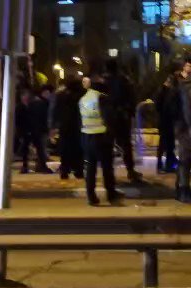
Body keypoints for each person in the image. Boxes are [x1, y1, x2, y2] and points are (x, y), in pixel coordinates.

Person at [79, 76, 123, 206]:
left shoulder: (83, 99)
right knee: (107, 168)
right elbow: (109, 119)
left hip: (87, 137)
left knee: (91, 168)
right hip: (102, 137)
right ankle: (111, 194)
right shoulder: (102, 98)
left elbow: (80, 119)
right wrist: (113, 135)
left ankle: (91, 196)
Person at [103, 60, 142, 182]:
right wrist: (131, 112)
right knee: (126, 145)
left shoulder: (102, 81)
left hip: (107, 117)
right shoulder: (124, 80)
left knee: (108, 146)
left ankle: (109, 174)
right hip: (122, 116)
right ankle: (130, 171)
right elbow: (132, 97)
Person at [50, 77, 85, 179]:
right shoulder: (82, 94)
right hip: (78, 126)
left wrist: (54, 125)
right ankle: (78, 170)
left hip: (64, 126)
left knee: (65, 149)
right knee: (78, 150)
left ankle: (65, 170)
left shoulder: (61, 95)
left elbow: (55, 110)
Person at [16, 88, 53, 174]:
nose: (25, 97)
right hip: (26, 130)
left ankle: (41, 166)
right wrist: (21, 132)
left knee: (39, 148)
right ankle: (25, 166)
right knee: (26, 149)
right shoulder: (20, 107)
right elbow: (19, 121)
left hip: (34, 130)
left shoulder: (33, 105)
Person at [155, 75, 180, 174]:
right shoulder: (166, 91)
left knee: (168, 144)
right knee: (165, 144)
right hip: (166, 121)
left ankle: (167, 165)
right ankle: (163, 165)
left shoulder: (164, 90)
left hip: (165, 120)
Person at [176, 59, 191, 203]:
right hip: (185, 127)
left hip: (182, 127)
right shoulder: (185, 86)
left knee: (184, 160)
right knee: (185, 160)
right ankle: (183, 191)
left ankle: (182, 190)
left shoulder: (180, 85)